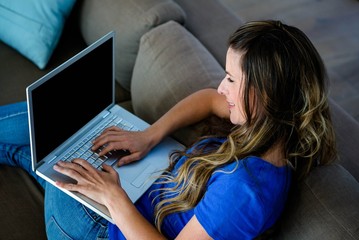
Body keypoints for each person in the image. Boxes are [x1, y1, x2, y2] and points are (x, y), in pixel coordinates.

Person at [0, 20, 337, 239]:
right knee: (51, 142)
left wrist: (113, 198)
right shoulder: (274, 124)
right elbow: (207, 99)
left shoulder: (244, 193)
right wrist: (150, 135)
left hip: (105, 229)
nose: (221, 88)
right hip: (137, 193)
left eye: (232, 79)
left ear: (268, 94)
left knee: (57, 137)